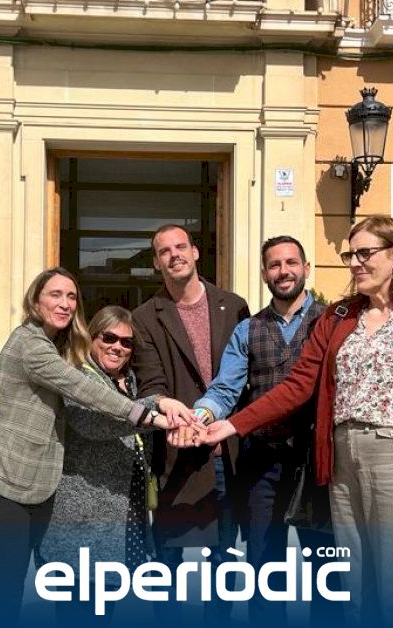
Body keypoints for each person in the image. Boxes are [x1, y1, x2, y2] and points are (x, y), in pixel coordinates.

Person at [194, 216, 393, 626]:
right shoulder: (340, 316)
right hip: (341, 459)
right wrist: (234, 424)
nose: (355, 263)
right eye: (350, 255)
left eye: (365, 253)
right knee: (352, 582)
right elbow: (298, 385)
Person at [0, 267, 197, 626]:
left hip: (35, 488)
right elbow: (83, 391)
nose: (65, 303)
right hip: (1, 482)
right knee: (7, 595)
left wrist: (163, 405)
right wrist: (152, 414)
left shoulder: (56, 346)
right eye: (55, 294)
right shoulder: (32, 346)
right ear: (35, 300)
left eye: (71, 296)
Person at [171, 235, 339, 627]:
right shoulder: (248, 329)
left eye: (291, 262)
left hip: (318, 460)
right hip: (263, 461)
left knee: (326, 567)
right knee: (265, 564)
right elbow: (225, 389)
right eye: (275, 265)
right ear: (264, 274)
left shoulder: (331, 322)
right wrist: (200, 417)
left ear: (306, 268)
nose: (284, 271)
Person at [130, 224, 249, 623]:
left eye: (181, 246)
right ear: (156, 262)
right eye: (164, 251)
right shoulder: (144, 317)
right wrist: (168, 407)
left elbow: (244, 377)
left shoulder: (234, 306)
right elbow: (151, 383)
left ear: (196, 252)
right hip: (175, 446)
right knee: (169, 554)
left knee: (224, 555)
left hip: (225, 449)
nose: (174, 255)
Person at [40, 305, 161, 623]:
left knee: (103, 610)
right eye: (109, 338)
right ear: (92, 337)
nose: (118, 347)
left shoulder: (130, 381)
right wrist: (155, 410)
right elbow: (93, 423)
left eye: (126, 342)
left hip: (123, 512)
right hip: (83, 517)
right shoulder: (77, 376)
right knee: (78, 613)